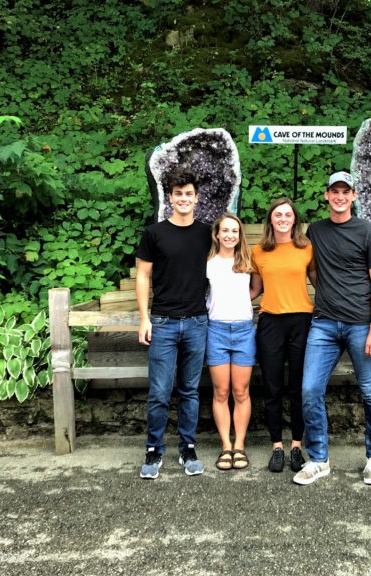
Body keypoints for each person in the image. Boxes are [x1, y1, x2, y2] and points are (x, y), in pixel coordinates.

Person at [293, 171, 371, 486]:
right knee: (309, 390)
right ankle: (319, 460)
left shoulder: (367, 231)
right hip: (323, 324)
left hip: (361, 324)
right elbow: (311, 269)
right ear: (326, 195)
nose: (339, 196)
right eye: (334, 191)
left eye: (345, 191)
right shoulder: (315, 231)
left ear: (354, 196)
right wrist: (326, 292)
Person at [135, 169, 211, 479]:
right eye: (178, 194)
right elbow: (143, 276)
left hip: (197, 321)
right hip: (163, 322)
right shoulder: (154, 233)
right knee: (160, 391)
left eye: (188, 194)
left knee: (190, 390)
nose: (183, 198)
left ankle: (188, 447)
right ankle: (154, 450)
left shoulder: (207, 233)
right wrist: (144, 318)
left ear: (197, 198)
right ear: (170, 198)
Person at [250, 198, 314, 473]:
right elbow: (253, 290)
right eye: (278, 215)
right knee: (272, 388)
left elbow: (319, 282)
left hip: (301, 321)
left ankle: (297, 446)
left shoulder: (306, 248)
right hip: (270, 322)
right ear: (271, 220)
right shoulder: (259, 251)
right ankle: (277, 446)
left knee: (298, 388)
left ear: (294, 219)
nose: (283, 218)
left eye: (288, 215)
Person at [205, 213, 256, 471]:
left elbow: (257, 288)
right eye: (225, 231)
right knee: (221, 391)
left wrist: (242, 303)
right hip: (216, 331)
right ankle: (226, 445)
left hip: (244, 330)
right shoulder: (208, 263)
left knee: (241, 391)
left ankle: (240, 445)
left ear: (239, 235)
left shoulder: (246, 260)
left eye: (234, 231)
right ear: (217, 234)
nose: (229, 235)